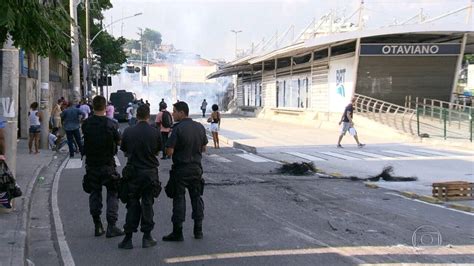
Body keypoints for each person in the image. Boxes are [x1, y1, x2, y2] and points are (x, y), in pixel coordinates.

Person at [162, 101, 207, 242]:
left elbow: (169, 151)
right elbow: (204, 148)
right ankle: (198, 230)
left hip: (181, 170)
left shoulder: (177, 129)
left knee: (179, 200)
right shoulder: (199, 127)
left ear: (182, 113)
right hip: (196, 169)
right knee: (196, 198)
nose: (173, 114)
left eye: (174, 112)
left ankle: (178, 232)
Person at [119, 104, 162, 249]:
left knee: (132, 204)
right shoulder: (155, 132)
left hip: (133, 173)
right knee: (148, 204)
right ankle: (147, 237)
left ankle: (128, 238)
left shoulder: (128, 131)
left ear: (137, 115)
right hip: (149, 173)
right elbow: (157, 151)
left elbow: (124, 151)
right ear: (148, 116)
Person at [82, 96, 124, 238]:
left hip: (92, 165)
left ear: (93, 107)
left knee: (95, 194)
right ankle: (111, 225)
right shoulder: (111, 124)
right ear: (105, 107)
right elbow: (119, 142)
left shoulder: (86, 124)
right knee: (113, 193)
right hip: (107, 164)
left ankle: (97, 224)